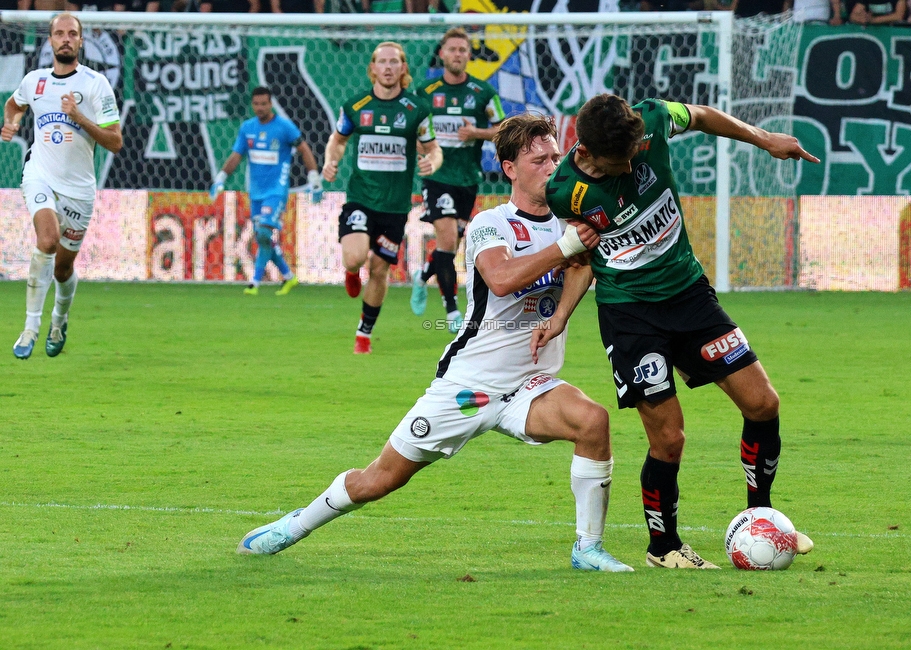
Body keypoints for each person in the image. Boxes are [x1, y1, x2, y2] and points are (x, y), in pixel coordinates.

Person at [238, 113, 633, 573]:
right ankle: (295, 525)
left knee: (593, 421)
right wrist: (566, 248)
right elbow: (502, 280)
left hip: (531, 382)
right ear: (510, 168)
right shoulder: (491, 223)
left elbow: (582, 267)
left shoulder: (570, 220)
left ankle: (587, 549)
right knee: (379, 480)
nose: (551, 167)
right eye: (538, 159)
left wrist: (561, 315)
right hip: (469, 383)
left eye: (554, 157)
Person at [535, 94, 818, 569]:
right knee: (669, 438)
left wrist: (764, 138)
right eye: (615, 165)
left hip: (689, 296)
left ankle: (760, 515)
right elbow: (582, 261)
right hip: (631, 318)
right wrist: (562, 314)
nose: (628, 169)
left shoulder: (653, 118)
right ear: (583, 153)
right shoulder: (565, 192)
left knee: (763, 402)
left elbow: (704, 116)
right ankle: (663, 548)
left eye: (632, 158)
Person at [3, 13, 122, 360]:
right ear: (51, 41)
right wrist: (10, 124)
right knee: (47, 240)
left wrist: (81, 118)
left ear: (81, 42)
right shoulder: (35, 81)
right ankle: (30, 327)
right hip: (39, 174)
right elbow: (14, 105)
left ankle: (59, 320)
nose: (66, 38)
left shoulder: (95, 84)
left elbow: (115, 142)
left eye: (73, 33)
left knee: (63, 268)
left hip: (79, 190)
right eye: (59, 33)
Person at [321, 41, 443, 355]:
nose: (388, 67)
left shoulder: (417, 110)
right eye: (382, 62)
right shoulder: (355, 106)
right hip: (361, 198)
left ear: (403, 69)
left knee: (379, 269)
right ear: (373, 68)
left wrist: (433, 162)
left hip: (396, 207)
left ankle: (364, 332)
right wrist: (330, 160)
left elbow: (433, 148)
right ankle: (350, 272)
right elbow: (337, 140)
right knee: (356, 257)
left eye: (394, 62)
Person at [411, 27, 506, 333]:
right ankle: (452, 312)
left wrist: (475, 133)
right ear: (442, 54)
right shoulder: (425, 92)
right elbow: (412, 129)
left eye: (462, 50)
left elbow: (502, 128)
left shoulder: (483, 93)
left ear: (468, 55)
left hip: (467, 178)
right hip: (437, 176)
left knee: (449, 246)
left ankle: (423, 275)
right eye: (451, 49)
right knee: (449, 240)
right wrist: (421, 152)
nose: (457, 54)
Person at [210, 87, 321, 296]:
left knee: (262, 233)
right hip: (256, 193)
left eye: (264, 104)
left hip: (276, 191)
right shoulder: (247, 128)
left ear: (271, 104)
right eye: (256, 104)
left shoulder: (284, 127)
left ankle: (254, 282)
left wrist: (314, 177)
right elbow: (236, 156)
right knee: (264, 238)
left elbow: (304, 149)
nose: (260, 108)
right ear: (252, 105)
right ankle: (289, 277)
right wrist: (221, 178)